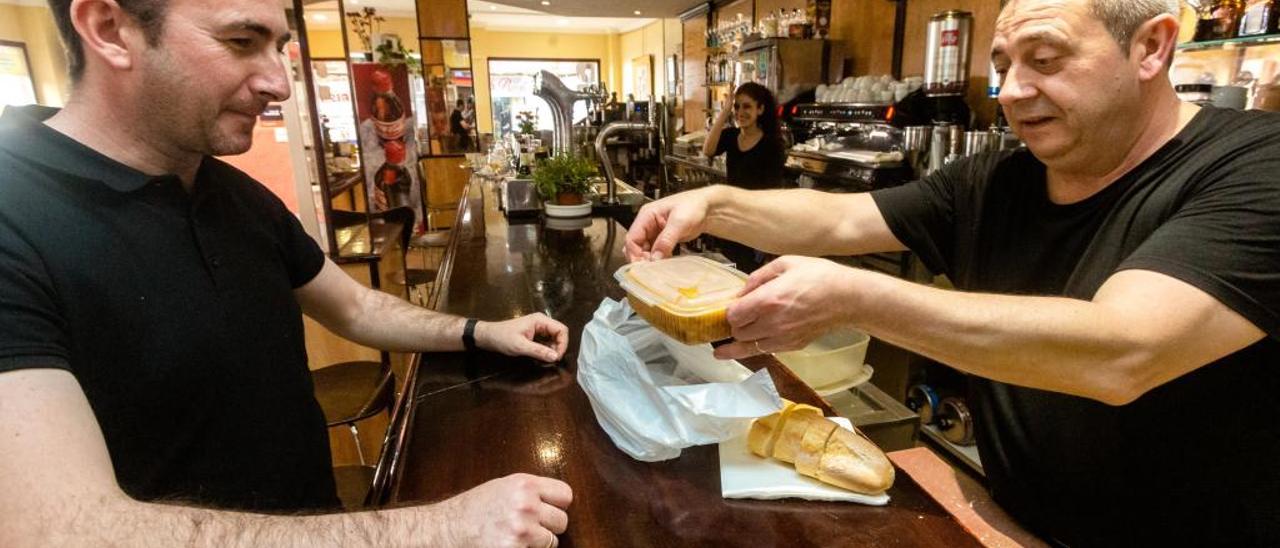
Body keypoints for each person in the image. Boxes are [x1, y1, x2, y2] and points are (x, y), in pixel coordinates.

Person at [626, 0, 1279, 545]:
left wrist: (857, 299)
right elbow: (840, 221)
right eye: (1002, 66)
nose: (1013, 90)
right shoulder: (996, 181)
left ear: (1152, 48)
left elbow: (1125, 351)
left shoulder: (1254, 169)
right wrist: (715, 206)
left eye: (1045, 60)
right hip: (1012, 522)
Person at [0, 1, 571, 546]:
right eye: (241, 41)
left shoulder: (231, 191)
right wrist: (434, 529)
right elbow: (57, 530)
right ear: (108, 28)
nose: (279, 83)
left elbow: (354, 307)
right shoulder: (15, 215)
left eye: (278, 47)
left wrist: (481, 331)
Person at [700, 82, 786, 272]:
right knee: (731, 271)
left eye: (747, 106)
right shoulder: (731, 136)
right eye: (737, 106)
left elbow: (773, 193)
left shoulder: (772, 145)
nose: (741, 112)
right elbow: (708, 149)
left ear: (761, 109)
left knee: (749, 273)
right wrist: (724, 112)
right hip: (732, 219)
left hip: (757, 222)